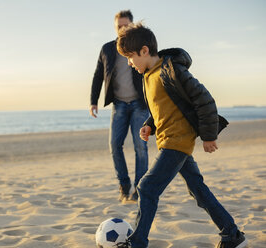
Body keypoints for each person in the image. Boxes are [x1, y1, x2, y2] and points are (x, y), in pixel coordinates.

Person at [115, 23, 247, 248]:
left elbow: (204, 100)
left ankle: (137, 243)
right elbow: (164, 107)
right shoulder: (149, 75)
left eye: (130, 57)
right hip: (169, 140)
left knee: (146, 188)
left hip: (178, 142)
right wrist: (150, 125)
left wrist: (208, 135)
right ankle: (231, 234)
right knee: (198, 190)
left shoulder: (172, 70)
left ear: (144, 51)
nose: (129, 62)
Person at [90, 10, 149, 202]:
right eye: (119, 26)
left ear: (132, 25)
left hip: (140, 105)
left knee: (141, 147)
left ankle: (139, 190)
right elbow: (98, 75)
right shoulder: (107, 48)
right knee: (115, 145)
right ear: (115, 28)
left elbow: (152, 71)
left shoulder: (142, 46)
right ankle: (124, 186)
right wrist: (93, 101)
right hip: (119, 105)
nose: (122, 29)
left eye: (126, 25)